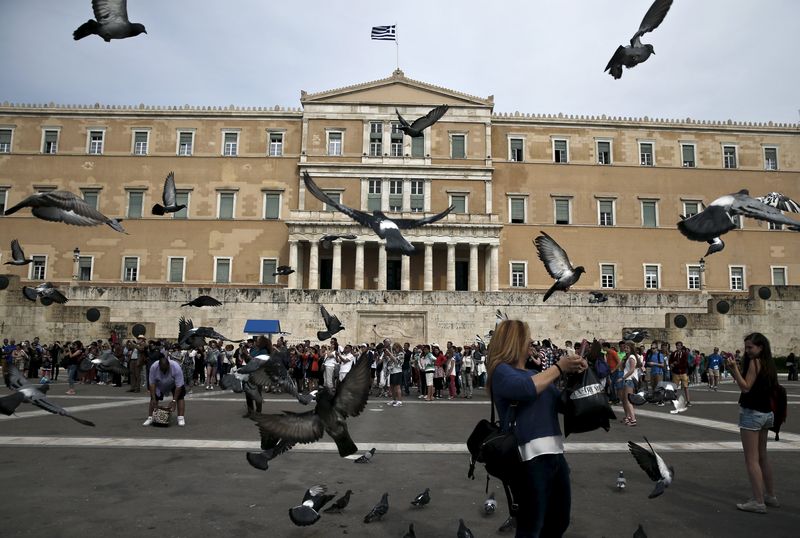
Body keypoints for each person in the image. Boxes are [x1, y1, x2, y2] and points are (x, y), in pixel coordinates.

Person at [487, 319, 587, 537]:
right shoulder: (501, 372)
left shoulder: (535, 375)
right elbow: (525, 390)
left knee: (559, 521)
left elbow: (562, 404)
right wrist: (559, 367)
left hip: (555, 454)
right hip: (528, 458)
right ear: (514, 341)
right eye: (527, 338)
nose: (532, 341)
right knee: (531, 526)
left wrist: (577, 376)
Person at [726, 332, 778, 513]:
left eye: (750, 347)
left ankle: (758, 501)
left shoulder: (755, 362)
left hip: (753, 413)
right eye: (746, 347)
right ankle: (770, 496)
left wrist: (734, 369)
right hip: (766, 413)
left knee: (751, 460)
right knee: (763, 456)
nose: (747, 351)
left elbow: (746, 387)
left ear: (760, 347)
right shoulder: (769, 363)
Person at [143, 354, 187, 427]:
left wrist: (174, 401)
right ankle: (150, 417)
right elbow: (152, 384)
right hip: (159, 383)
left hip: (173, 383)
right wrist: (154, 398)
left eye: (165, 369)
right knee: (153, 399)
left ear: (169, 365)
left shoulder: (176, 367)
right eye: (162, 369)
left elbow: (179, 386)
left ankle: (180, 417)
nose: (164, 371)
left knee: (180, 397)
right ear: (159, 366)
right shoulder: (154, 367)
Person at [669, 341, 691, 406]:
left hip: (683, 372)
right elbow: (670, 361)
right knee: (675, 387)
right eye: (677, 345)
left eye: (679, 345)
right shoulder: (673, 354)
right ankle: (674, 399)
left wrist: (675, 364)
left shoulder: (684, 354)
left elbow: (684, 363)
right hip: (676, 372)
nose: (678, 347)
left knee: (686, 387)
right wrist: (671, 364)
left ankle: (688, 401)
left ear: (681, 346)